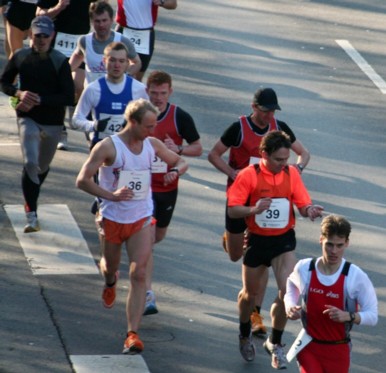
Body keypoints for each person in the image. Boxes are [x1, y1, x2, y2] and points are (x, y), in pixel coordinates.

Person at [76, 98, 188, 354]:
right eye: (148, 126)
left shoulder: (152, 144)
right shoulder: (108, 147)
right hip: (113, 217)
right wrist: (111, 195)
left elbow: (180, 161)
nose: (153, 131)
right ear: (133, 122)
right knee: (110, 267)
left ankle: (132, 335)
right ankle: (109, 281)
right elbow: (82, 180)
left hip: (142, 217)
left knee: (139, 273)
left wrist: (176, 171)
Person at [208, 87, 310, 337]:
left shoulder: (280, 128)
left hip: (270, 202)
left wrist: (295, 171)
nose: (269, 115)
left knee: (262, 261)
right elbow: (213, 154)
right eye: (265, 110)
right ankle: (231, 238)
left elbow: (304, 153)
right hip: (241, 198)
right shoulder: (238, 128)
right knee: (234, 256)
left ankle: (255, 313)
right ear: (254, 108)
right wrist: (231, 173)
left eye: (273, 110)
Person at [227, 130, 323, 368]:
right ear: (264, 154)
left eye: (286, 159)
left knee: (288, 292)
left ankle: (275, 341)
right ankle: (244, 332)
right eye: (278, 159)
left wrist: (309, 210)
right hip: (257, 241)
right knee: (249, 296)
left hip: (283, 241)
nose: (284, 164)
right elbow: (233, 210)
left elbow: (302, 203)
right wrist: (253, 210)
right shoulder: (249, 175)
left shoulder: (291, 173)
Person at [0, 15, 75, 233]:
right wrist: (18, 93)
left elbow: (69, 97)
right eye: (37, 35)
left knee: (41, 168)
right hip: (28, 118)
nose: (40, 40)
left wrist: (42, 99)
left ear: (52, 37)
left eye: (45, 36)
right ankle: (31, 214)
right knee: (31, 163)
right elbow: (4, 82)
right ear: (30, 35)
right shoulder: (20, 56)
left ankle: (32, 195)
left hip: (53, 123)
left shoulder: (60, 61)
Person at [284, 214, 378, 373]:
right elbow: (291, 284)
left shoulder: (355, 276)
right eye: (329, 244)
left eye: (339, 245)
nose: (334, 251)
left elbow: (373, 316)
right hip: (309, 345)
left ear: (347, 243)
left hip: (338, 349)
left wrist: (349, 316)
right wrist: (290, 305)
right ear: (321, 239)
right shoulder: (305, 268)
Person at [143, 70, 202, 315]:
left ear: (170, 92)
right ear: (147, 91)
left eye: (163, 93)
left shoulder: (180, 117)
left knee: (158, 236)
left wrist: (178, 148)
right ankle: (147, 293)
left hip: (167, 187)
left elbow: (198, 148)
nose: (158, 98)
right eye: (154, 93)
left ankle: (142, 251)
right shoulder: (137, 115)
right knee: (146, 244)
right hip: (142, 188)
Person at [36, 0, 96, 150]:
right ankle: (61, 131)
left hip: (80, 42)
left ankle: (74, 113)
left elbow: (101, 6)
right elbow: (40, 15)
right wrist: (58, 7)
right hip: (58, 41)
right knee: (60, 87)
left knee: (78, 86)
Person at [72, 41, 148, 148]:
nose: (117, 65)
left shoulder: (139, 89)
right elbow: (76, 119)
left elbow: (150, 120)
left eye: (121, 61)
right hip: (100, 147)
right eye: (112, 60)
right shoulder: (93, 89)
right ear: (104, 61)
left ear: (127, 63)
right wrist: (94, 125)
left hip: (128, 148)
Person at [69, 0, 141, 86]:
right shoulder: (84, 41)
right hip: (92, 94)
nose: (101, 25)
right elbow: (77, 57)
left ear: (111, 20)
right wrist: (63, 73)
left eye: (104, 20)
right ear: (92, 21)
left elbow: (137, 62)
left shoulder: (122, 41)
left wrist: (125, 74)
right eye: (97, 21)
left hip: (115, 92)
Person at [115, 0, 177, 82]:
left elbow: (173, 4)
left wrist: (161, 2)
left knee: (137, 78)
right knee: (117, 73)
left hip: (145, 34)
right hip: (124, 30)